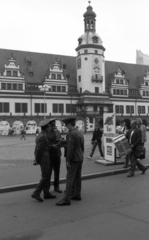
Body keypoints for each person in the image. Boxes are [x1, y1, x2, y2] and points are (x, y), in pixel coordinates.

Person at [56, 117, 84, 206]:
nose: (65, 126)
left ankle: (66, 199)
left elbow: (70, 149)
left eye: (66, 125)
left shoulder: (71, 134)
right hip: (80, 157)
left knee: (69, 178)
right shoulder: (79, 132)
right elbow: (81, 146)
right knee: (78, 177)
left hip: (74, 158)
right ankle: (77, 194)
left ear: (69, 124)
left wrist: (68, 160)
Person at [31, 119, 56, 202]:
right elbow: (39, 150)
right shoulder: (43, 137)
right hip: (44, 158)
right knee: (45, 176)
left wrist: (53, 146)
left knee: (46, 175)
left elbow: (41, 147)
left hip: (43, 157)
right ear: (47, 128)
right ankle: (36, 193)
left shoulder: (40, 135)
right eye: (49, 127)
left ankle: (46, 192)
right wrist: (37, 160)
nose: (50, 128)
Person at [47, 118, 62, 193]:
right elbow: (45, 144)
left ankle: (56, 186)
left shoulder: (58, 132)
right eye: (52, 124)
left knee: (57, 171)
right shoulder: (46, 133)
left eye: (54, 124)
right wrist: (52, 145)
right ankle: (47, 188)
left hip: (57, 154)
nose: (54, 125)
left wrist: (60, 142)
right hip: (50, 155)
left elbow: (60, 140)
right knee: (48, 172)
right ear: (49, 125)